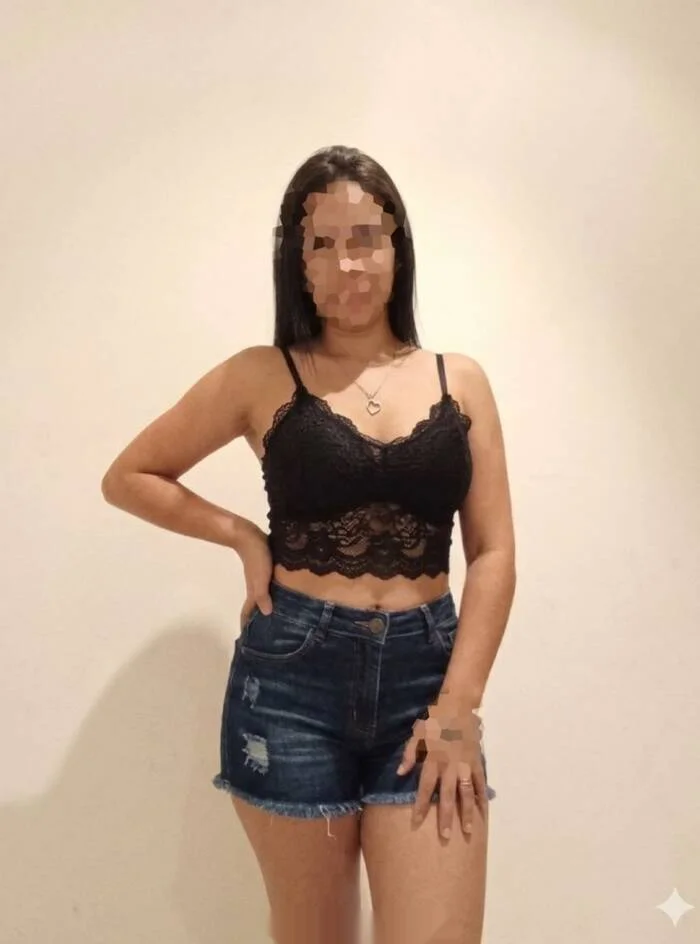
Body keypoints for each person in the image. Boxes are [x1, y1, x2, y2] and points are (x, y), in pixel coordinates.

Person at [101, 144, 516, 944]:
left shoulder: (458, 381)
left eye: (364, 237)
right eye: (322, 243)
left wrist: (459, 707)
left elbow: (493, 553)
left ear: (397, 246)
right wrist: (242, 537)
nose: (346, 263)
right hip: (291, 686)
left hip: (428, 685)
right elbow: (131, 476)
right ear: (297, 261)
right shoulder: (261, 376)